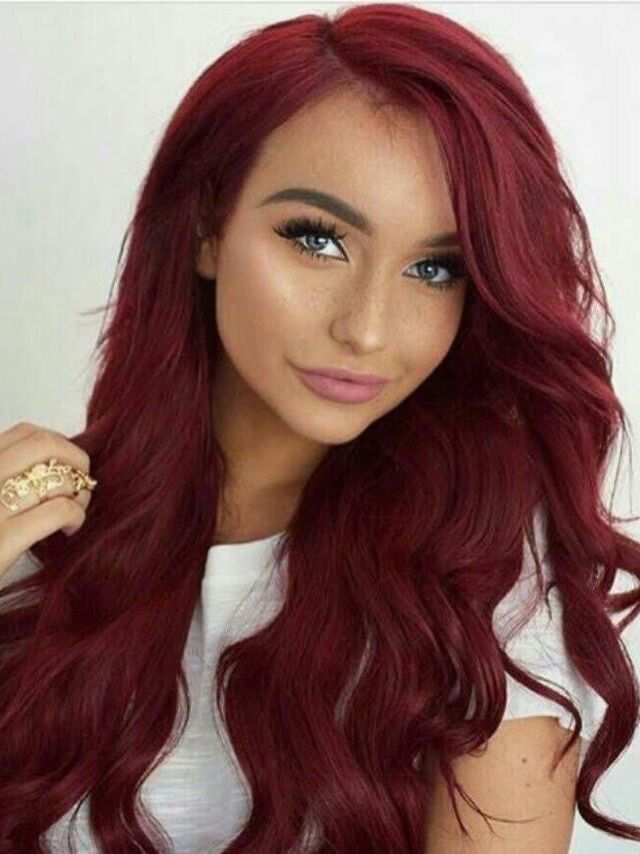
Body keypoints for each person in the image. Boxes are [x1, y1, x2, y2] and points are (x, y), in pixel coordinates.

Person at [1, 3, 639, 852]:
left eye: (434, 268)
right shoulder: (30, 536)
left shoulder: (484, 584)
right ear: (206, 227)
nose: (367, 329)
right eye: (319, 240)